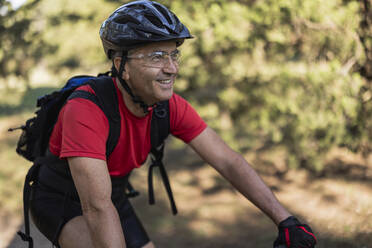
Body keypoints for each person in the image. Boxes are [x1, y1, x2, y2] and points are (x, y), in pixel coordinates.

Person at [29, 1, 317, 248]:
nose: (172, 68)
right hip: (62, 198)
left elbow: (228, 161)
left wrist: (284, 219)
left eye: (173, 54)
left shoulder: (168, 107)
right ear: (121, 65)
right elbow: (96, 207)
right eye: (157, 56)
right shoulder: (85, 109)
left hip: (111, 194)